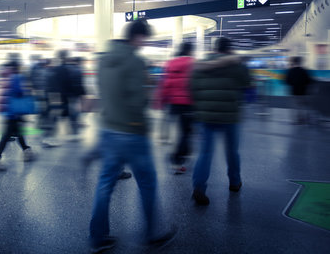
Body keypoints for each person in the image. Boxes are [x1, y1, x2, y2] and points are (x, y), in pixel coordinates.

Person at [89, 19, 176, 253]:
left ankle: (98, 237)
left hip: (108, 128)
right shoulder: (135, 61)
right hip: (132, 132)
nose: (144, 43)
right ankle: (154, 234)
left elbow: (101, 91)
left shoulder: (103, 58)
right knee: (147, 183)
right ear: (137, 37)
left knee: (105, 183)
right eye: (144, 39)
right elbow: (139, 101)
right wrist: (148, 90)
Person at [190, 37, 251, 206]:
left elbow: (192, 89)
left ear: (214, 48)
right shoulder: (236, 65)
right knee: (232, 151)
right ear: (229, 49)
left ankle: (199, 187)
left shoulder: (200, 65)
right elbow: (246, 83)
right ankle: (234, 182)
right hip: (230, 116)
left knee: (205, 153)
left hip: (205, 117)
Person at [0, 60, 34, 171]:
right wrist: (27, 91)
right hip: (14, 111)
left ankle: (27, 150)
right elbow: (19, 92)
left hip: (7, 110)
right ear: (16, 67)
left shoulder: (4, 76)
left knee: (17, 132)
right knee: (7, 135)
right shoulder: (16, 77)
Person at [158, 42, 195, 174]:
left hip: (173, 102)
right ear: (190, 51)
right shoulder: (192, 63)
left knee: (182, 131)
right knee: (186, 132)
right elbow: (195, 84)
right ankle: (177, 159)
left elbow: (165, 83)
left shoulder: (170, 63)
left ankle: (182, 154)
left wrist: (161, 100)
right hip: (188, 103)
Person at [285, 56, 313, 124]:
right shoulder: (304, 70)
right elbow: (309, 81)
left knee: (296, 106)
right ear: (301, 62)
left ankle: (297, 119)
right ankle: (305, 119)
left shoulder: (290, 71)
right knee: (304, 106)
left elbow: (287, 81)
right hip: (304, 91)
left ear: (294, 62)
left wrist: (293, 83)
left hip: (294, 91)